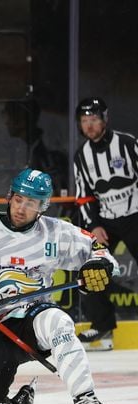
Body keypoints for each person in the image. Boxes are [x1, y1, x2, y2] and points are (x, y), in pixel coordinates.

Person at [0, 169, 117, 404]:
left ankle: (85, 397)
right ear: (10, 197)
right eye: (18, 199)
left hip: (34, 320)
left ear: (43, 206)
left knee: (59, 321)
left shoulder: (56, 233)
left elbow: (98, 248)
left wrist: (99, 263)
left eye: (31, 203)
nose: (21, 208)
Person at [72, 97, 138, 351]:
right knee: (90, 265)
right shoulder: (82, 157)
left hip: (135, 216)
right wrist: (95, 225)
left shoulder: (128, 143)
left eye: (94, 120)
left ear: (105, 120)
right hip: (106, 222)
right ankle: (102, 325)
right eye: (84, 121)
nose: (89, 125)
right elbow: (84, 195)